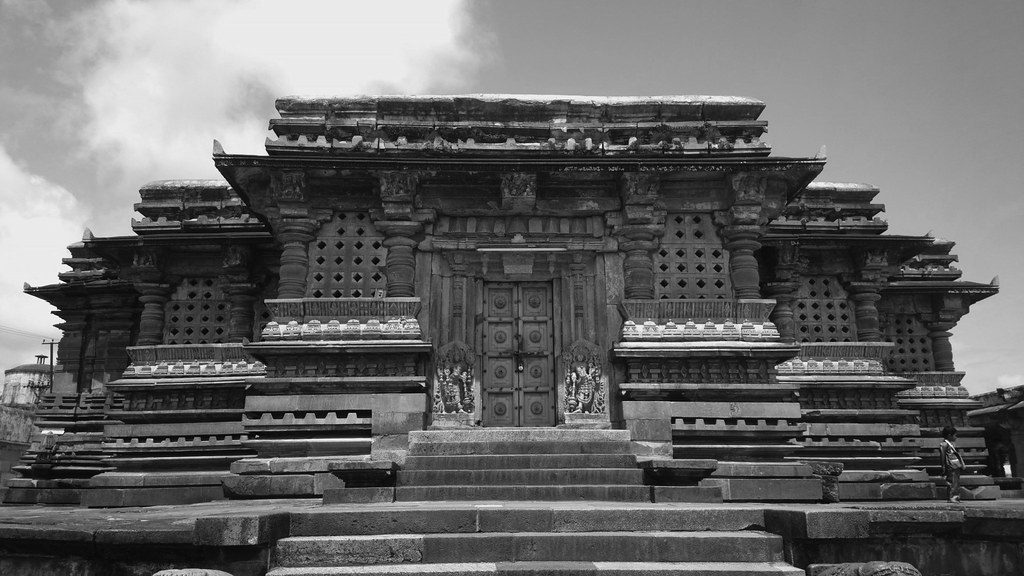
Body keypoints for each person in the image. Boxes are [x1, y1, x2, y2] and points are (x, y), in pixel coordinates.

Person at [939, 426, 966, 503]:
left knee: (956, 482)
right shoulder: (944, 445)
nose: (956, 437)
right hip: (950, 466)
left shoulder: (951, 444)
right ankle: (951, 497)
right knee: (951, 482)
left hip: (955, 465)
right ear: (949, 435)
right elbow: (943, 457)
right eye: (955, 435)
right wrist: (943, 467)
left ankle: (956, 496)